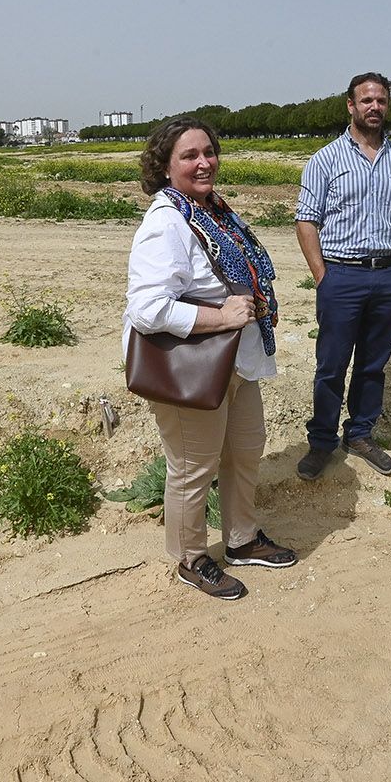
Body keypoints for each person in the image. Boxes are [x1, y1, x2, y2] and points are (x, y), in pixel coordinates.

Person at [124, 117, 297, 600]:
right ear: (165, 167)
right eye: (189, 156)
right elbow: (146, 308)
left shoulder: (214, 212)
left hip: (237, 361)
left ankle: (241, 540)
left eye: (209, 152)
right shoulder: (166, 223)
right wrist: (222, 317)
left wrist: (251, 311)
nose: (204, 163)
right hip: (193, 367)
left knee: (244, 449)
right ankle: (190, 557)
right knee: (192, 466)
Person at [294, 72, 391, 481]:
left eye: (382, 101)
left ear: (388, 106)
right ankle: (321, 441)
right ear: (350, 106)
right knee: (331, 364)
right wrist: (323, 276)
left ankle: (360, 433)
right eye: (366, 100)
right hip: (342, 277)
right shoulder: (324, 159)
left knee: (374, 363)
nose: (375, 107)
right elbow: (306, 221)